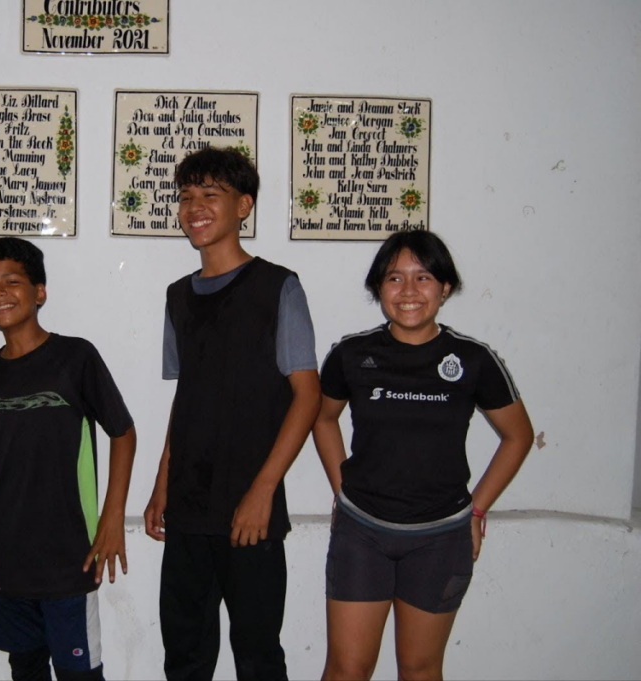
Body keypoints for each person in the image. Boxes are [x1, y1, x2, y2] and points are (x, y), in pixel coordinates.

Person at [313, 230, 534, 680]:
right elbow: (322, 418)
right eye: (394, 278)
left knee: (419, 669)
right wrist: (343, 491)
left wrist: (476, 511)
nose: (409, 292)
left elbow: (518, 437)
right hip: (363, 535)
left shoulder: (473, 360)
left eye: (424, 278)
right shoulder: (352, 355)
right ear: (378, 288)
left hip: (440, 539)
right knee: (347, 669)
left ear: (445, 288)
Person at [143, 147, 322, 681]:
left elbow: (308, 396)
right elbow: (189, 398)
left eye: (210, 195)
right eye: (186, 196)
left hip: (252, 509)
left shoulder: (277, 287)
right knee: (186, 655)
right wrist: (161, 483)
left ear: (243, 205)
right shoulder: (178, 296)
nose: (194, 207)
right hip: (190, 507)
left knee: (258, 655)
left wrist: (264, 489)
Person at [0, 237, 137, 681]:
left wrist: (112, 519)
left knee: (80, 674)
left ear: (40, 291)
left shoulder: (74, 357)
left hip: (68, 561)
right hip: (4, 561)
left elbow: (124, 433)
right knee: (27, 671)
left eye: (11, 281)